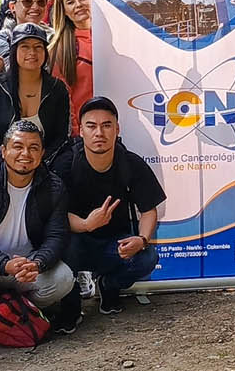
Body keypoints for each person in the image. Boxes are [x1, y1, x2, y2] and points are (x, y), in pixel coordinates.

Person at [0, 120, 80, 348]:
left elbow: (57, 236)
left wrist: (38, 263)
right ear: (3, 151)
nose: (25, 154)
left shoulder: (53, 186)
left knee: (63, 278)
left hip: (27, 264)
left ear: (42, 153)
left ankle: (20, 311)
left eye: (33, 148)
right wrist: (3, 263)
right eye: (18, 146)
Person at [55, 99, 164, 314]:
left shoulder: (130, 163)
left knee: (148, 258)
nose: (99, 133)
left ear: (117, 129)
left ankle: (109, 285)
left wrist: (141, 240)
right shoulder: (65, 165)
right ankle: (70, 304)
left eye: (106, 125)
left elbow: (148, 211)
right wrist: (86, 224)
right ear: (81, 131)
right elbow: (55, 216)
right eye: (91, 126)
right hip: (75, 243)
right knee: (63, 247)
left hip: (114, 244)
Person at [0, 22, 70, 157]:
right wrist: (5, 160)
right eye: (25, 46)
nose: (32, 52)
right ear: (14, 51)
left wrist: (41, 161)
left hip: (46, 164)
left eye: (38, 47)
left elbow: (62, 137)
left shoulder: (57, 88)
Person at [49, 0, 96, 122]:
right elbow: (63, 99)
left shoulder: (114, 38)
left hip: (117, 125)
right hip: (84, 128)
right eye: (70, 2)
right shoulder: (60, 48)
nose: (78, 5)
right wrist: (76, 131)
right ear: (64, 11)